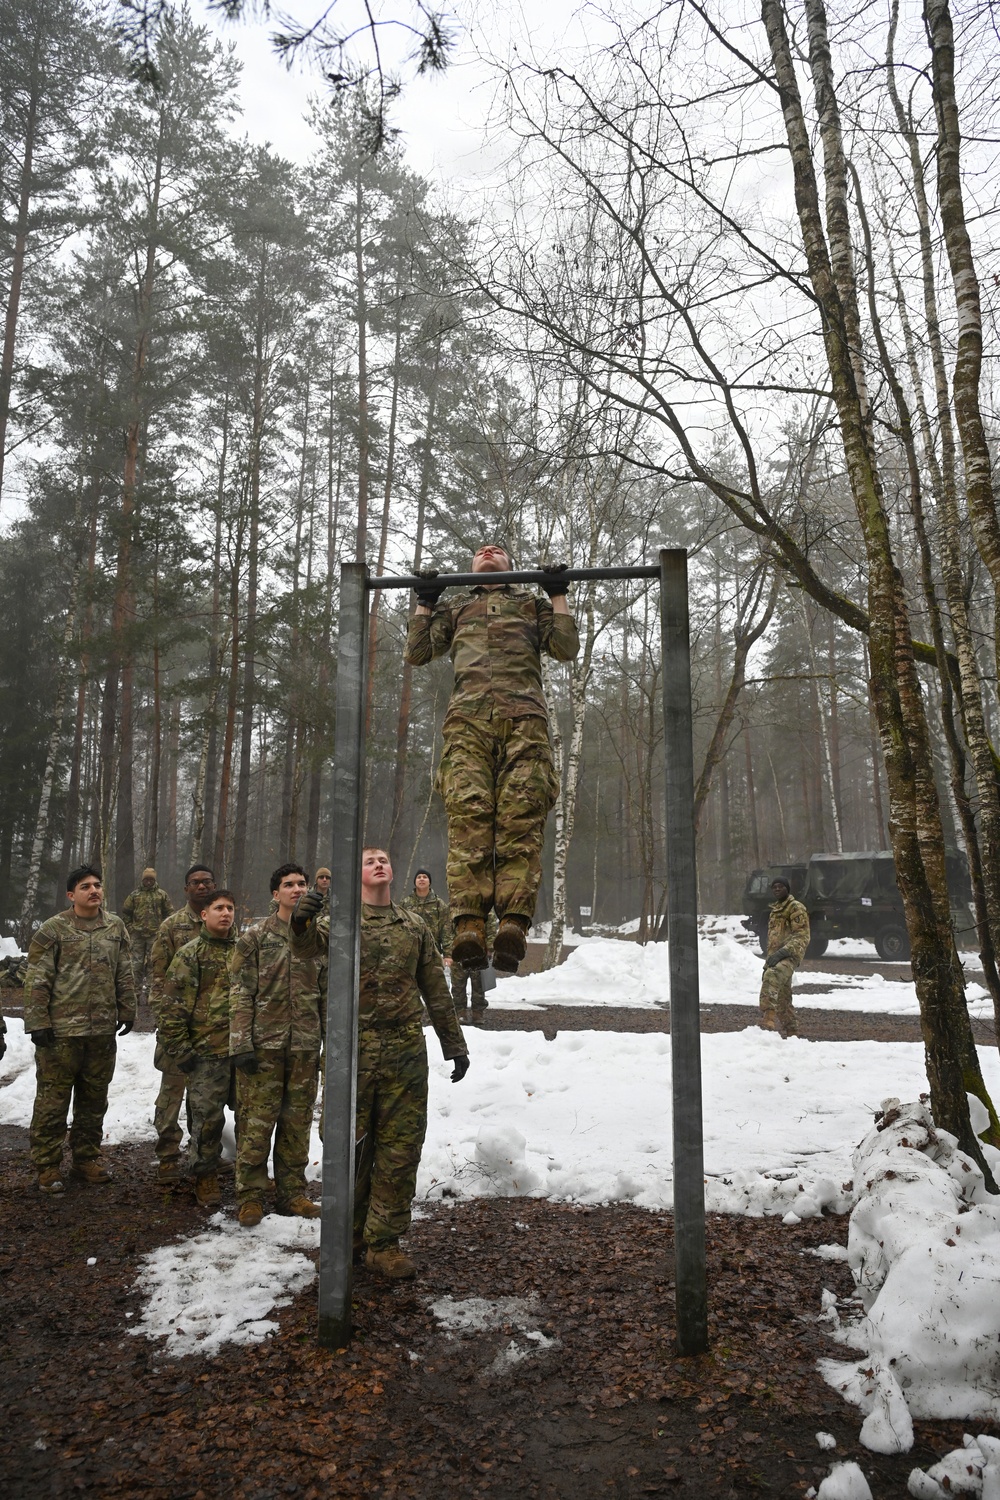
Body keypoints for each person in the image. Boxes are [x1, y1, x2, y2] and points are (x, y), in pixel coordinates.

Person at [404, 543, 579, 974]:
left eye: (498, 550)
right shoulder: (458, 605)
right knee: (469, 820)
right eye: (481, 550)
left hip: (525, 722)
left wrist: (557, 594)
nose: (488, 550)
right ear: (470, 569)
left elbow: (564, 647)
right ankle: (468, 925)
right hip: (468, 724)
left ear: (509, 566)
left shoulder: (530, 603)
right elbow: (419, 653)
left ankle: (513, 925)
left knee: (520, 819)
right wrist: (425, 603)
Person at [356, 847, 469, 1281]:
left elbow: (435, 989)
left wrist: (453, 1044)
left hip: (405, 1050)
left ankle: (384, 1242)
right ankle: (348, 1235)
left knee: (400, 1148)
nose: (380, 863)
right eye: (369, 860)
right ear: (357, 874)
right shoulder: (339, 924)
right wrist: (305, 922)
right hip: (355, 1049)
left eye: (385, 858)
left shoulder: (415, 926)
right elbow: (304, 956)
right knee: (350, 1146)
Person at [22, 865, 136, 1193]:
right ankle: (47, 1166)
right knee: (52, 1100)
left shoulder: (115, 927)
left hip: (101, 1032)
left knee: (94, 1099)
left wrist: (128, 1009)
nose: (94, 890)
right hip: (60, 1034)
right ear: (72, 895)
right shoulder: (52, 929)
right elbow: (37, 978)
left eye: (98, 885)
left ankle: (86, 1159)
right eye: (85, 886)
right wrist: (38, 1022)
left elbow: (123, 971)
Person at [229, 863, 326, 1227]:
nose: (297, 890)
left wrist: (328, 1046)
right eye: (289, 885)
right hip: (263, 1046)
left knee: (296, 1122)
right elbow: (240, 992)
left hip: (304, 1045)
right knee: (256, 1123)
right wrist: (240, 1043)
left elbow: (327, 995)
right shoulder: (254, 938)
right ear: (275, 894)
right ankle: (250, 1196)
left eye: (302, 884)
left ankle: (292, 1193)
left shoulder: (319, 939)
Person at [158, 889, 238, 1209]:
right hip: (206, 1052)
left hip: (244, 1051)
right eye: (218, 908)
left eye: (230, 908)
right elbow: (172, 1010)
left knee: (250, 1117)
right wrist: (183, 1051)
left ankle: (250, 1177)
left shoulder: (245, 951)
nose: (226, 913)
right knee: (207, 1119)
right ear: (204, 915)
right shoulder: (190, 954)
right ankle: (204, 1176)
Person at [147, 864, 217, 1184]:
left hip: (212, 1028)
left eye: (207, 882)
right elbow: (159, 978)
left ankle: (201, 1154)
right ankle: (167, 1157)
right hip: (178, 1025)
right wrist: (167, 1024)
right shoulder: (171, 927)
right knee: (172, 1095)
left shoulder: (223, 923)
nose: (201, 887)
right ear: (186, 889)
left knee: (205, 1097)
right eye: (195, 883)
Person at [758, 877, 810, 1038]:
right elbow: (774, 939)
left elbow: (802, 936)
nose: (777, 889)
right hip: (776, 957)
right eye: (774, 887)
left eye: (781, 886)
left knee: (772, 975)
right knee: (782, 996)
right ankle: (792, 1031)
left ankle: (768, 1019)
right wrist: (770, 959)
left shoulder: (796, 908)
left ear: (788, 888)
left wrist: (783, 953)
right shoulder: (775, 910)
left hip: (790, 955)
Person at [121, 868, 173, 996]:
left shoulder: (161, 895)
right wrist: (130, 928)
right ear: (142, 880)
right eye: (146, 879)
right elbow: (126, 913)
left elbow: (169, 913)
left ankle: (152, 992)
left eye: (151, 879)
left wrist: (163, 929)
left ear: (154, 880)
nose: (148, 882)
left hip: (155, 936)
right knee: (135, 965)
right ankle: (135, 993)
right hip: (137, 935)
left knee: (153, 964)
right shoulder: (134, 895)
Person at [401, 869, 453, 970]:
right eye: (419, 877)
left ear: (429, 882)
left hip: (433, 952)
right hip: (411, 953)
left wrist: (448, 954)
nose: (421, 879)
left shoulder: (439, 903)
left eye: (425, 877)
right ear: (415, 882)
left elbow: (446, 929)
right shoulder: (405, 904)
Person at [451, 911, 497, 1016]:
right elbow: (448, 931)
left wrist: (489, 948)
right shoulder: (457, 910)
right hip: (460, 951)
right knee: (458, 985)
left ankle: (478, 1013)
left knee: (479, 985)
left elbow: (491, 930)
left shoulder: (485, 910)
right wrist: (451, 950)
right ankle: (460, 1012)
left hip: (479, 952)